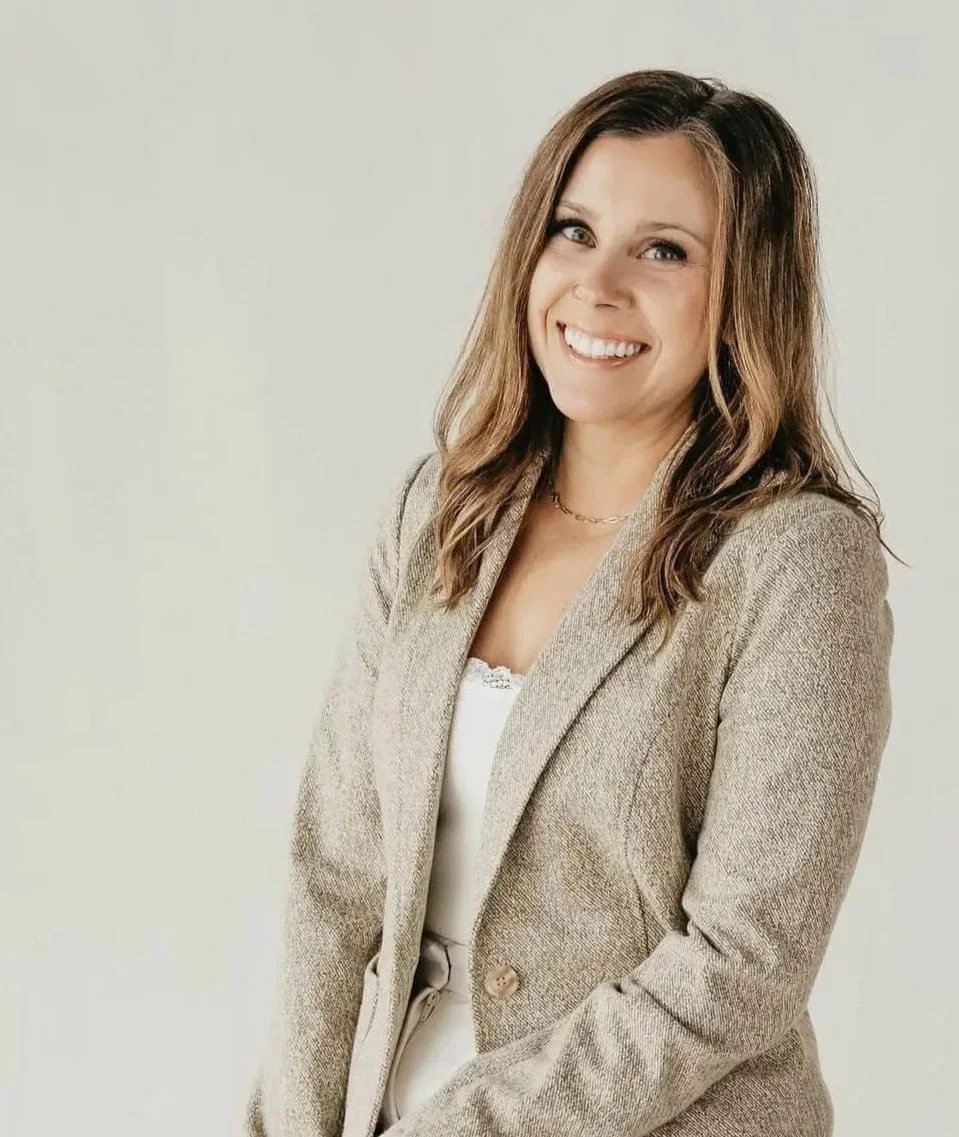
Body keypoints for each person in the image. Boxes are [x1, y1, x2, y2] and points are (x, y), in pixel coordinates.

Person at [243, 67, 897, 1137]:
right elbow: (336, 874)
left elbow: (744, 960)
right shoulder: (435, 512)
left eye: (663, 250)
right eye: (573, 230)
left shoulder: (795, 560)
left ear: (745, 291)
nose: (598, 285)